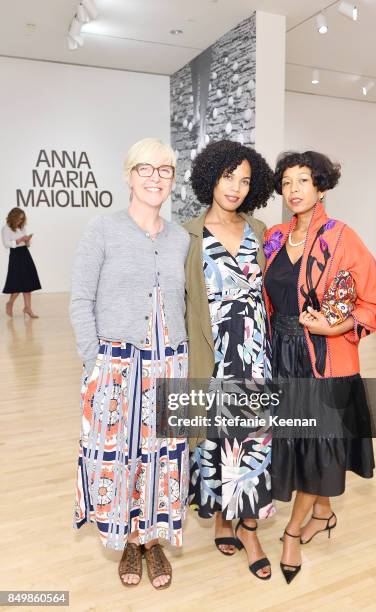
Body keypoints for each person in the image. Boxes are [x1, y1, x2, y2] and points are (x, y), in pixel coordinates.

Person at [263, 150, 376, 584]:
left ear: (321, 186)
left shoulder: (342, 238)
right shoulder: (275, 238)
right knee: (296, 441)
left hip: (323, 357)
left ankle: (293, 532)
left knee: (317, 444)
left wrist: (339, 328)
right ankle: (322, 511)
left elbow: (373, 302)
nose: (294, 190)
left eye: (303, 181)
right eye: (287, 182)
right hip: (280, 354)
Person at [70, 138, 190, 590]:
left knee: (163, 456)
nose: (155, 177)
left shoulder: (180, 238)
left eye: (165, 170)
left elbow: (183, 303)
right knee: (119, 455)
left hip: (168, 364)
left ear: (173, 179)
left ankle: (152, 541)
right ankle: (126, 537)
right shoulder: (102, 229)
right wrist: (92, 363)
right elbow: (81, 299)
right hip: (116, 366)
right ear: (128, 175)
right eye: (146, 168)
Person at [185, 140, 275, 580]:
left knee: (253, 441)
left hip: (255, 355)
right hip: (211, 354)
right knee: (216, 440)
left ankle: (251, 529)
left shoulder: (259, 230)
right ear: (210, 177)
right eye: (228, 177)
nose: (236, 188)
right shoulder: (187, 234)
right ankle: (223, 516)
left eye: (245, 180)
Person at [2, 208, 41, 318]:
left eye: (22, 219)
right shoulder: (6, 228)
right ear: (13, 217)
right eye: (19, 219)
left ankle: (28, 308)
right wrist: (19, 240)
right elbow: (6, 244)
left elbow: (27, 245)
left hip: (25, 253)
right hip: (15, 255)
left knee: (28, 282)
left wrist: (27, 240)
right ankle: (10, 303)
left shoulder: (22, 228)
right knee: (18, 283)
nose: (20, 221)